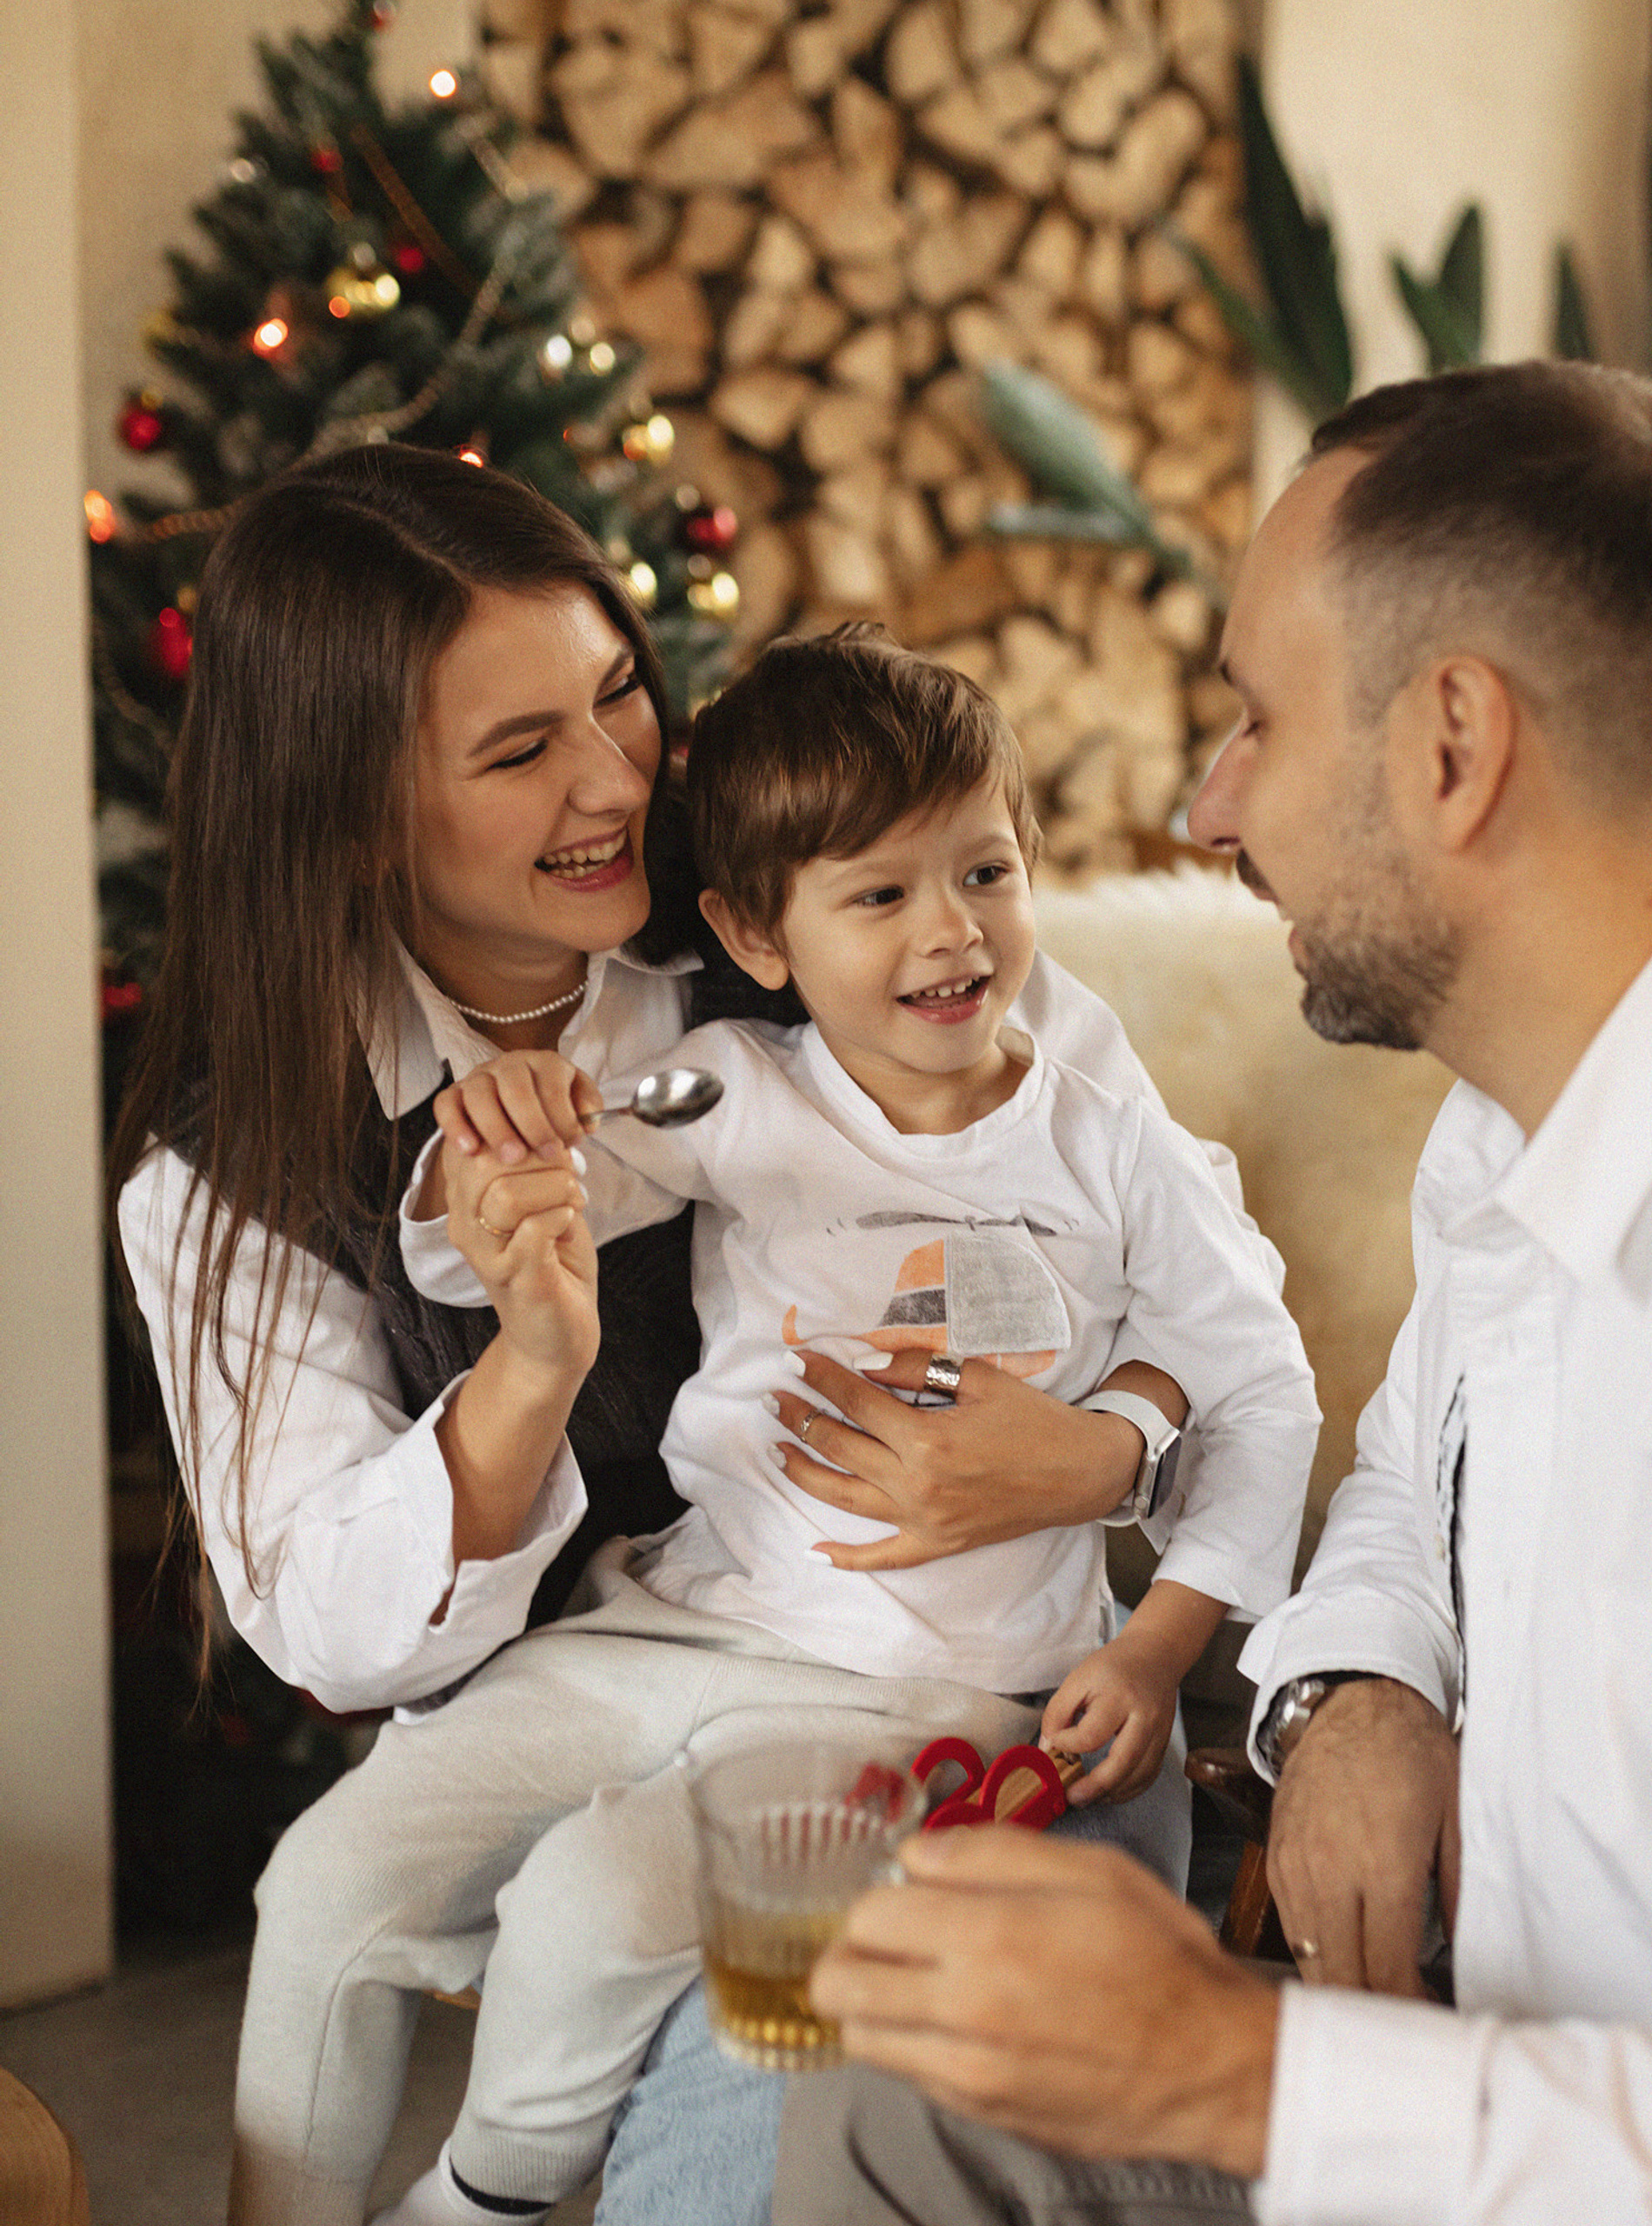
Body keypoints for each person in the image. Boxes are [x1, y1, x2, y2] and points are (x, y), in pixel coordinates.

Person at [772, 359, 1652, 2225]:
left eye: (1257, 721)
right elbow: (1406, 1481)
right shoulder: (1513, 1118)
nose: (1211, 807)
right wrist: (1360, 1679)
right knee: (864, 2100)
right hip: (1494, 2083)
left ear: (1450, 743)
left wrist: (1238, 2065)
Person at [107, 444, 1232, 2226]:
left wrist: (1116, 1444)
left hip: (951, 1718)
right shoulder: (235, 1161)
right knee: (335, 1904)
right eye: (515, 749)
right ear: (350, 817)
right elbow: (332, 1628)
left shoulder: (825, 884)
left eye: (617, 691)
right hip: (620, 1685)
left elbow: (1156, 1226)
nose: (617, 779)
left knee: (728, 2152)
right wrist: (525, 1368)